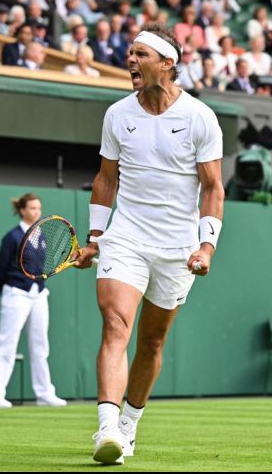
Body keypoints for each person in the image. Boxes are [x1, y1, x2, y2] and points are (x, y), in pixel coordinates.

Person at [73, 24, 224, 465]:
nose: (130, 61)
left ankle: (128, 427)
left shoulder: (200, 117)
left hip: (178, 247)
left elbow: (213, 187)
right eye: (130, 54)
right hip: (127, 237)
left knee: (152, 342)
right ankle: (105, 429)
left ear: (167, 64)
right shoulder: (118, 114)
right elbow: (106, 178)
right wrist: (97, 238)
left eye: (140, 54)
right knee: (115, 324)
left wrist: (206, 246)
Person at [0, 193, 67, 409]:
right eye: (32, 208)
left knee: (41, 346)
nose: (36, 212)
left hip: (39, 295)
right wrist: (11, 291)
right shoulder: (11, 238)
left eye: (39, 208)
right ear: (22, 210)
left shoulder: (41, 236)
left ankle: (44, 394)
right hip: (15, 294)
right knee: (7, 343)